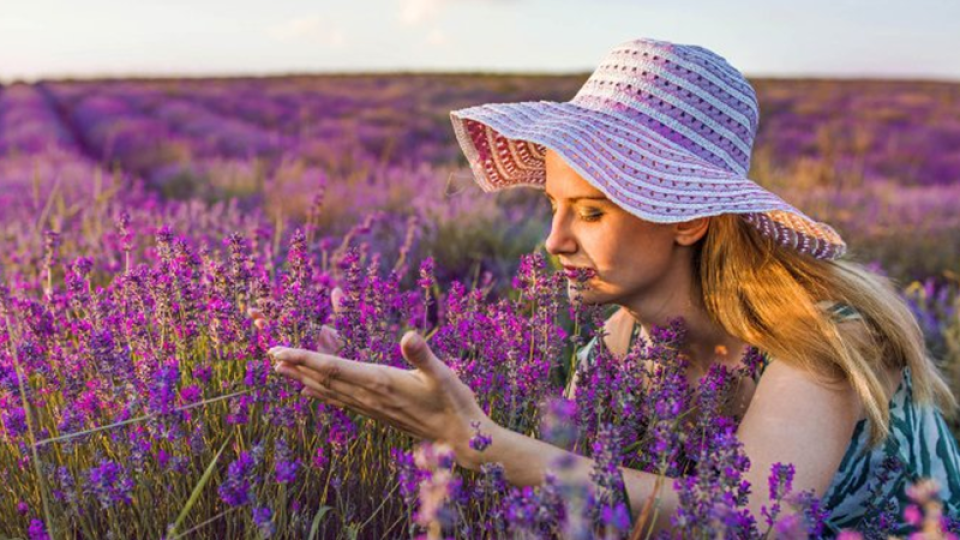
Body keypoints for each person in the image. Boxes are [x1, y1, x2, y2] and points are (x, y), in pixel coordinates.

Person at [263, 37, 960, 535]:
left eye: (591, 211)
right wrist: (399, 394)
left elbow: (752, 519)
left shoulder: (818, 335)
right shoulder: (618, 344)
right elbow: (572, 480)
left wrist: (479, 439)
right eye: (553, 207)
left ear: (686, 218)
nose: (553, 241)